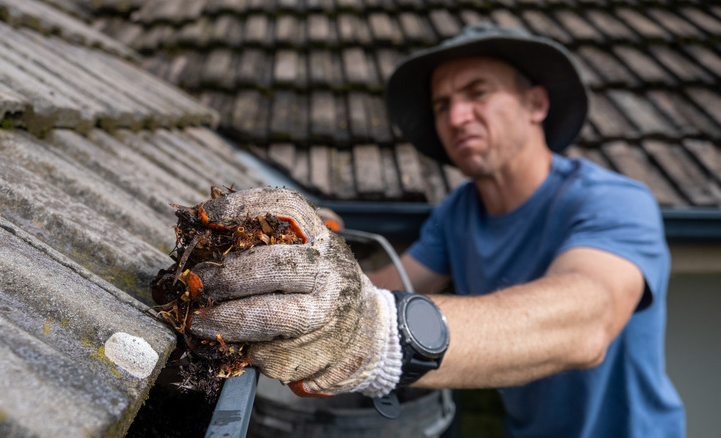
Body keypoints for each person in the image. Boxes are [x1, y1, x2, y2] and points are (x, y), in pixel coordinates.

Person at [188, 23, 685, 437]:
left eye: (477, 93)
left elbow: (586, 322)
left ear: (536, 104)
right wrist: (298, 279)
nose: (456, 115)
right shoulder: (458, 212)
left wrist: (376, 338)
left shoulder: (613, 201)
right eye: (443, 104)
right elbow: (385, 288)